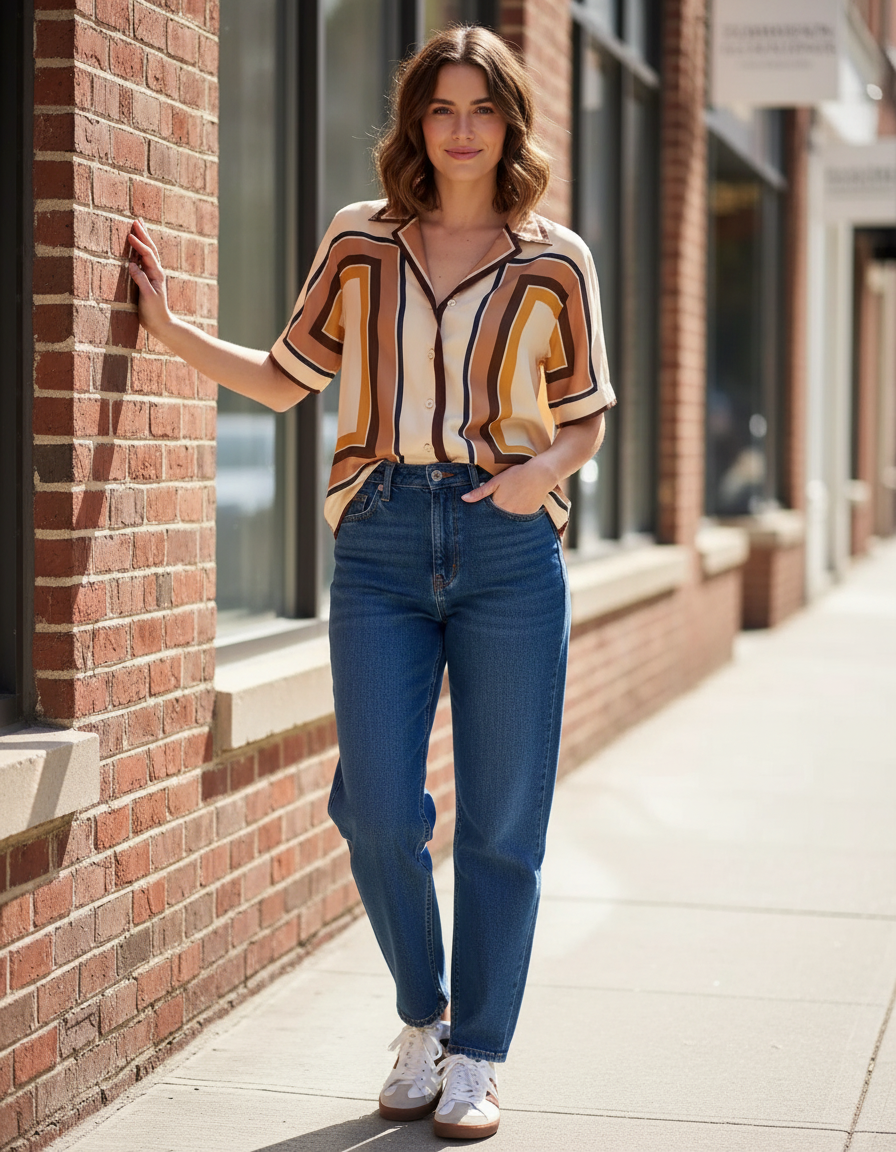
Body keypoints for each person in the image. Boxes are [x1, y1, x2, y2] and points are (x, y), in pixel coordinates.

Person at [127, 24, 615, 1140]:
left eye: (480, 110)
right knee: (380, 810)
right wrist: (169, 331)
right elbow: (281, 376)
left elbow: (586, 415)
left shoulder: (554, 256)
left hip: (505, 548)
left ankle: (476, 1058)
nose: (459, 130)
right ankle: (422, 1018)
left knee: (502, 822)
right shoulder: (361, 242)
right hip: (382, 541)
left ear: (508, 123)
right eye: (440, 109)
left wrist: (535, 469)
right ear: (414, 122)